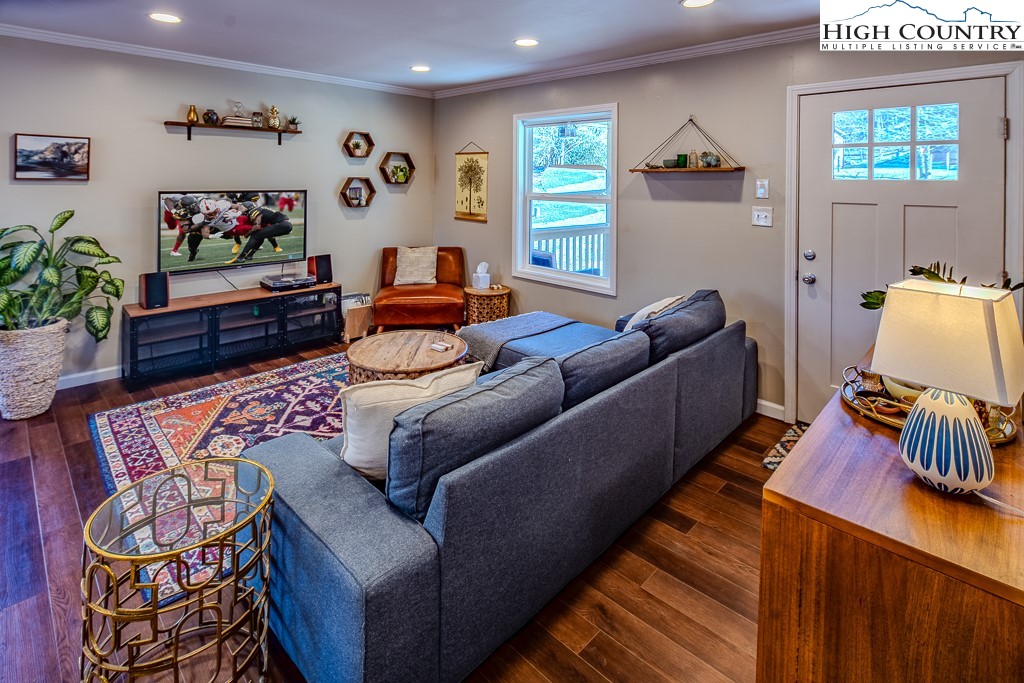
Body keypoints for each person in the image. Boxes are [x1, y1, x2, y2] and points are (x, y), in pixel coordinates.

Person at [226, 205, 292, 264]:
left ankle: (240, 257)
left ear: (247, 207)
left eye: (242, 206)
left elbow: (256, 226)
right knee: (260, 236)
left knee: (254, 236)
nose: (240, 208)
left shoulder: (254, 211)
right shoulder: (257, 209)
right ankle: (250, 255)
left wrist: (247, 234)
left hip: (282, 224)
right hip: (284, 224)